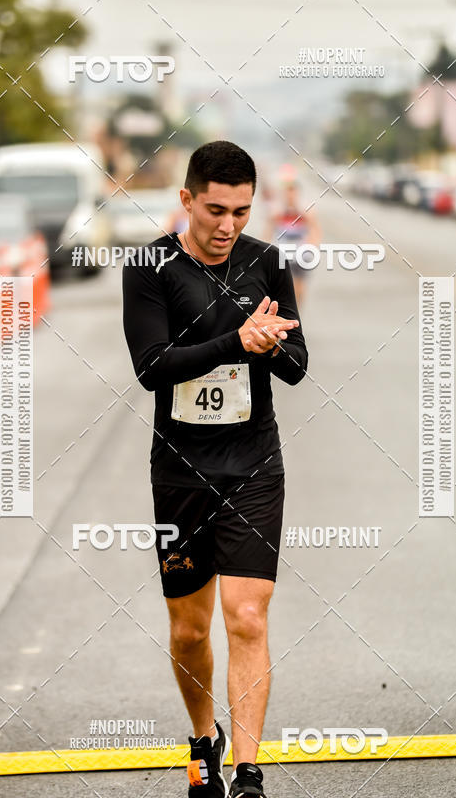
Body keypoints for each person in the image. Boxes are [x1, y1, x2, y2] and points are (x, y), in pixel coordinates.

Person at [122, 141, 308, 798]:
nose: (228, 225)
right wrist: (237, 340)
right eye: (215, 210)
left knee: (247, 616)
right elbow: (152, 367)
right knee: (190, 628)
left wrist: (272, 344)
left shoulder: (267, 263)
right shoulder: (149, 267)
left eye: (241, 211)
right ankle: (205, 739)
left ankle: (248, 773)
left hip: (254, 464)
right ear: (187, 200)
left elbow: (297, 366)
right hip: (180, 471)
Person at [265, 178, 321, 307]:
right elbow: (268, 231)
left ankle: (296, 310)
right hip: (282, 254)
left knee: (299, 285)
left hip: (301, 254)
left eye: (292, 192)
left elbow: (315, 229)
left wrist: (313, 246)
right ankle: (286, 309)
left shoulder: (305, 210)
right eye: (287, 192)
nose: (290, 196)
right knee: (283, 285)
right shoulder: (277, 210)